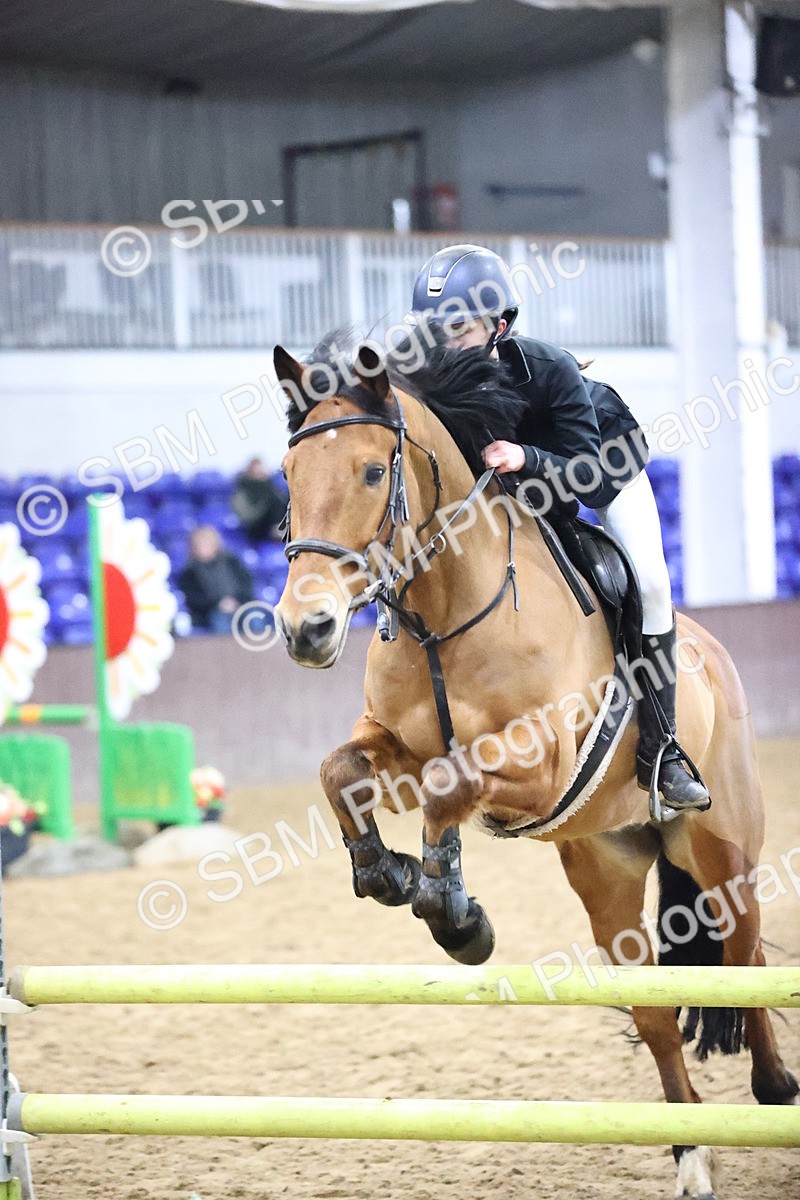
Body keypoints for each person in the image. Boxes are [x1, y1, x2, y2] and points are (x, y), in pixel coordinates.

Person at [408, 243, 709, 812]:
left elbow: (590, 479)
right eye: (435, 330)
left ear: (500, 325)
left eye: (462, 328)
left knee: (647, 584)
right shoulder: (431, 380)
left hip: (602, 463)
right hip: (514, 489)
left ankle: (663, 747)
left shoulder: (550, 369)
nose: (447, 344)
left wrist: (528, 459)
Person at [178, 526, 253, 634]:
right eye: (201, 545)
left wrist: (238, 601)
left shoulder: (231, 562)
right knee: (221, 621)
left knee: (255, 617)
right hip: (211, 611)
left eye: (207, 544)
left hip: (240, 604)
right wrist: (218, 604)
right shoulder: (189, 572)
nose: (204, 548)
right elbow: (193, 598)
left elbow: (247, 583)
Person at [232, 456, 286, 544]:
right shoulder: (243, 489)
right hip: (255, 528)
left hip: (272, 524)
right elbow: (246, 516)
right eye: (256, 471)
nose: (259, 473)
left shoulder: (271, 486)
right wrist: (264, 505)